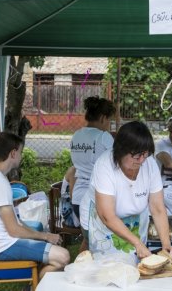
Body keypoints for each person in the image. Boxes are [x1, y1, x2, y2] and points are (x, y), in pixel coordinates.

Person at [0, 132, 70, 279]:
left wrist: (42, 236)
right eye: (20, 152)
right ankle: (35, 286)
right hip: (4, 246)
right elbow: (13, 230)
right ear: (13, 153)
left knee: (54, 251)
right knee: (63, 256)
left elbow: (16, 222)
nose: (21, 156)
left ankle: (35, 283)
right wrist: (45, 236)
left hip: (2, 243)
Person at [81, 121, 172, 260]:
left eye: (145, 154)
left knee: (133, 263)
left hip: (133, 221)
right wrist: (137, 242)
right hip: (102, 222)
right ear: (121, 150)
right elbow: (107, 216)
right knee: (104, 266)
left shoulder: (149, 163)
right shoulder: (104, 165)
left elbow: (157, 208)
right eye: (137, 155)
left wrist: (166, 244)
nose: (141, 160)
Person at [70, 96, 116, 250]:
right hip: (95, 197)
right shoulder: (104, 137)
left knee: (89, 239)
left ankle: (79, 267)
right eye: (109, 120)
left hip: (77, 196)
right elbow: (116, 164)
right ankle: (85, 270)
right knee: (100, 242)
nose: (109, 125)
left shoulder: (76, 135)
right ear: (103, 118)